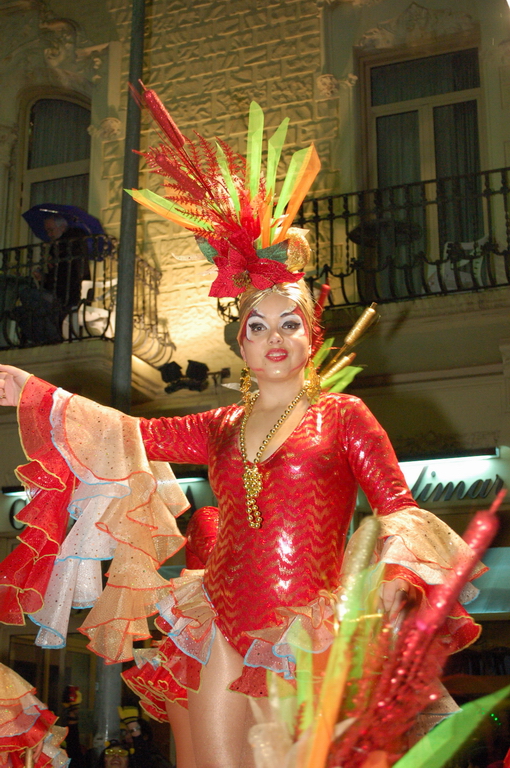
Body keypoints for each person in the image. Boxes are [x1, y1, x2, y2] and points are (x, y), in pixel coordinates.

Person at [0, 97, 485, 768]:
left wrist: (397, 583)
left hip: (305, 631)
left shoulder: (344, 417)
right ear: (242, 344)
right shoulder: (220, 423)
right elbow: (130, 433)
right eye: (257, 327)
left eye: (289, 324)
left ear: (311, 337)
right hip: (217, 618)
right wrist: (36, 393)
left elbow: (398, 509)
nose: (273, 338)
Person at [12, 214, 90, 344]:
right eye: (47, 230)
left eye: (51, 230)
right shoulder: (58, 249)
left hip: (67, 296)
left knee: (28, 296)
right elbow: (56, 278)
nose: (49, 234)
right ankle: (43, 338)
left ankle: (52, 337)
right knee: (20, 311)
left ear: (63, 228)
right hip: (56, 294)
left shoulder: (71, 247)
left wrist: (54, 264)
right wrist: (44, 277)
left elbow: (67, 278)